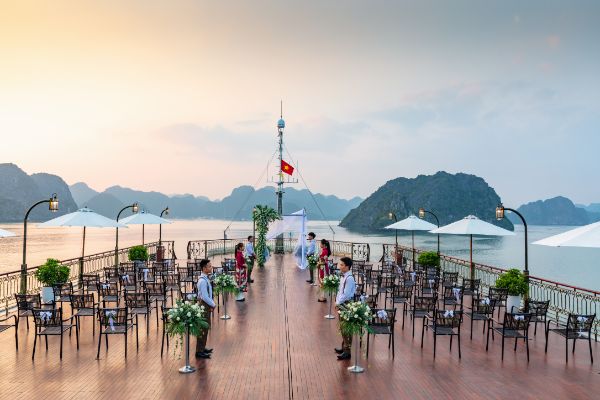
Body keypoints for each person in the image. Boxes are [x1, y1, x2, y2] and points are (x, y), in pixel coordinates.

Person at [334, 257, 356, 360]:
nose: (340, 266)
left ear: (347, 266)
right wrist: (337, 301)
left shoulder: (349, 278)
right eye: (340, 264)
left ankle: (348, 351)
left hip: (346, 304)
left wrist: (338, 302)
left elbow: (346, 294)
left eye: (342, 265)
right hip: (341, 303)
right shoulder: (343, 276)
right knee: (343, 327)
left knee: (346, 328)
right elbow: (340, 291)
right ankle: (344, 347)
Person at [195, 259, 215, 359]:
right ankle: (199, 351)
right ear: (204, 268)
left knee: (205, 327)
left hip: (206, 305)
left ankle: (202, 348)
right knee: (202, 328)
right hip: (204, 305)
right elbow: (204, 296)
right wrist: (213, 304)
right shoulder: (202, 281)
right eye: (209, 266)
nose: (211, 267)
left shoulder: (206, 278)